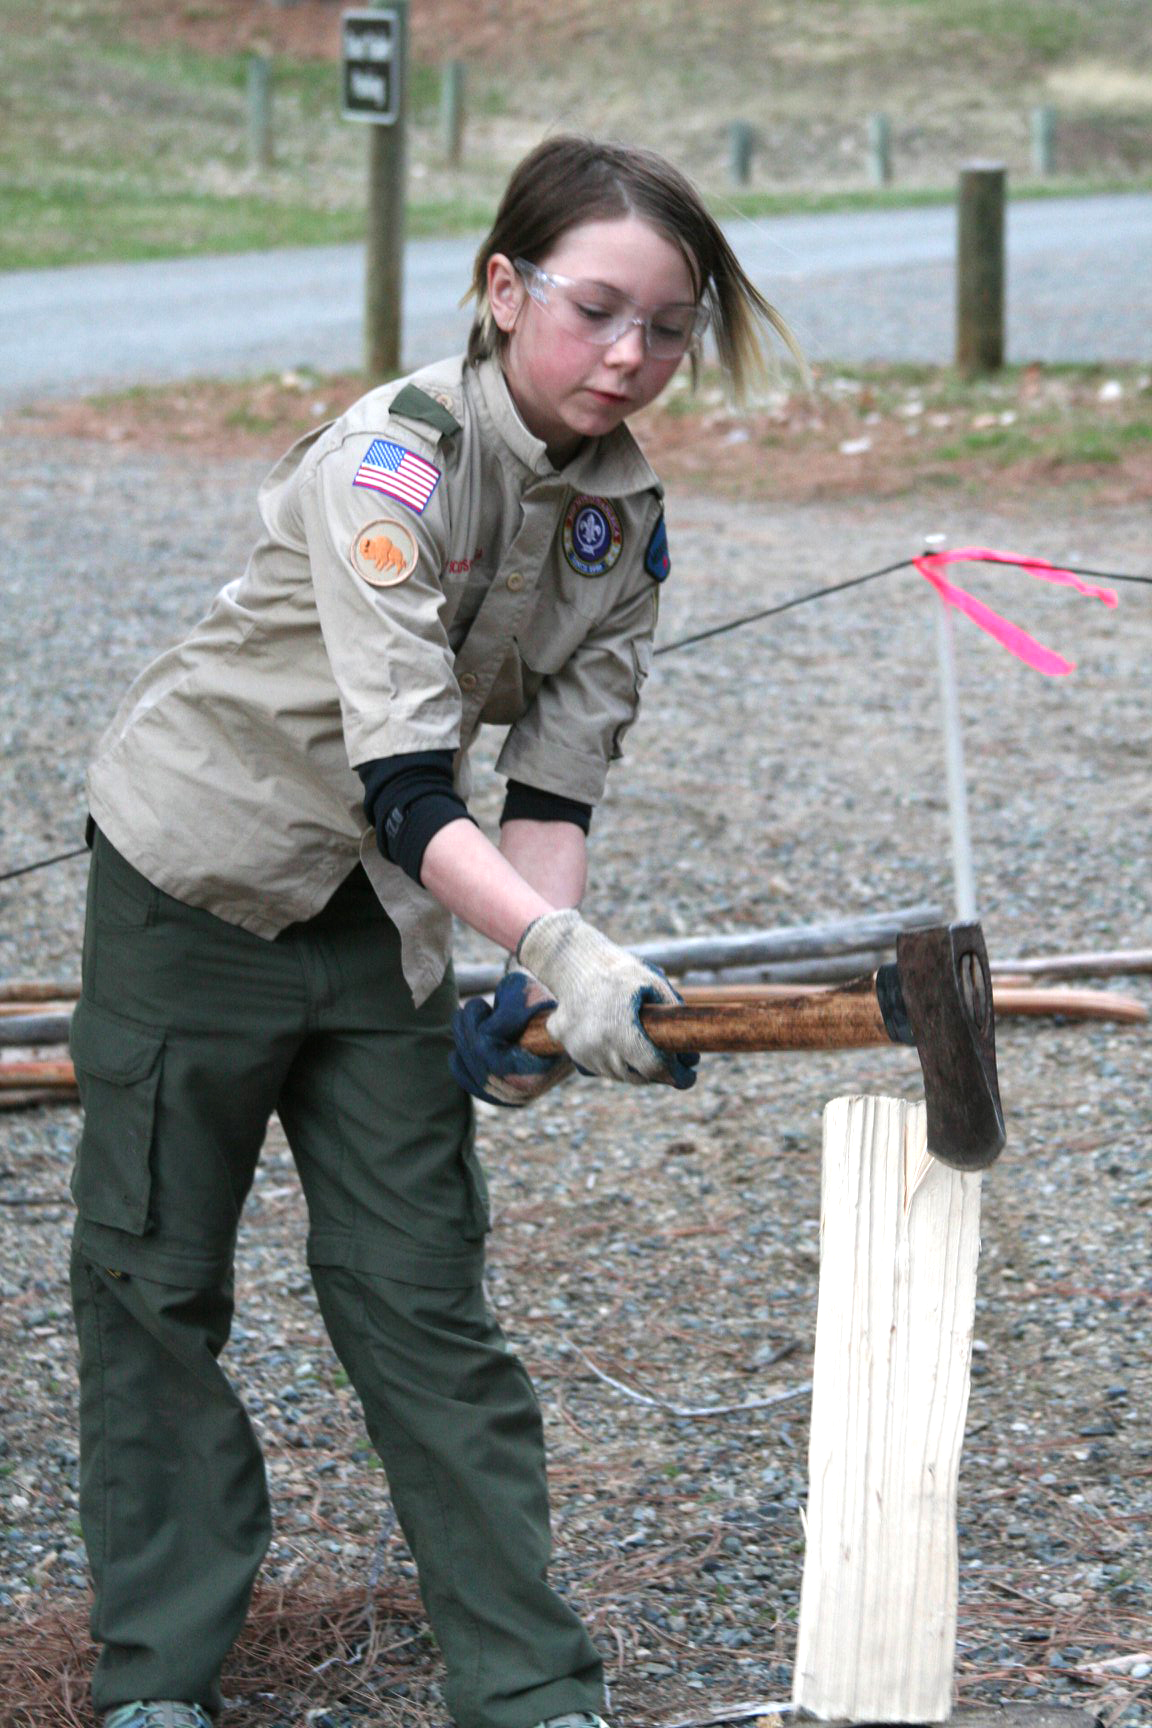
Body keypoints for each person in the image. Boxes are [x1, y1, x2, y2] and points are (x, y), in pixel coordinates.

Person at [68, 134, 801, 1728]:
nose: (629, 354)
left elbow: (552, 783)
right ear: (501, 287)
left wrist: (546, 987)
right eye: (596, 308)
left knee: (423, 1302)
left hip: (381, 921)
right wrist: (558, 953)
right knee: (155, 1288)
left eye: (667, 327)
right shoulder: (387, 463)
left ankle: (533, 1689)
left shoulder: (622, 521)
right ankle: (157, 1682)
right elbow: (405, 776)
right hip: (197, 882)